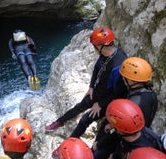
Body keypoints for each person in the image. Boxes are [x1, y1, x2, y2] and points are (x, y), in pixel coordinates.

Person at [44, 27, 128, 157]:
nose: (93, 47)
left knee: (84, 121)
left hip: (108, 101)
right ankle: (60, 121)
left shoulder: (118, 66)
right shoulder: (105, 54)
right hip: (98, 92)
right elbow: (96, 69)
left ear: (101, 45)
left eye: (95, 45)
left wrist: (100, 104)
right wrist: (91, 87)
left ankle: (66, 146)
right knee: (79, 106)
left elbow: (119, 93)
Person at [92, 57, 158, 158]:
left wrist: (99, 144)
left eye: (124, 78)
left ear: (131, 81)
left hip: (127, 141)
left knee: (97, 155)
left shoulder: (134, 103)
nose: (123, 80)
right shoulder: (150, 94)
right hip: (140, 134)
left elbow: (120, 131)